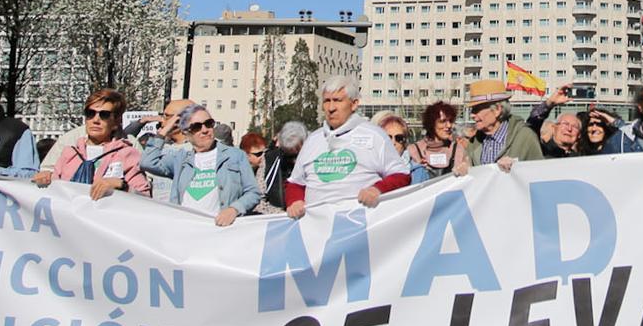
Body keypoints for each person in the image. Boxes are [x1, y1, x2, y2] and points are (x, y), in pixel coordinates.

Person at [286, 78, 410, 214]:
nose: (331, 108)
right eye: (327, 101)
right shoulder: (313, 140)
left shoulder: (375, 136)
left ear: (354, 104)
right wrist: (295, 200)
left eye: (338, 100)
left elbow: (401, 175)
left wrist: (377, 189)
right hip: (317, 228)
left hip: (359, 225)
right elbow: (295, 182)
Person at [140, 104, 256, 225]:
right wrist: (165, 130)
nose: (205, 130)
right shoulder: (180, 159)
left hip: (220, 231)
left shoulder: (235, 155)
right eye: (196, 127)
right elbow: (147, 162)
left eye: (209, 124)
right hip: (186, 229)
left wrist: (234, 209)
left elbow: (253, 192)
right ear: (186, 132)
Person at [36, 89, 151, 199]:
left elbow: (144, 198)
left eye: (104, 115)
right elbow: (53, 188)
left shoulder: (128, 153)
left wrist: (122, 186)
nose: (96, 120)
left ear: (116, 121)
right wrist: (44, 178)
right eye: (90, 113)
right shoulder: (69, 151)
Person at [457, 80, 545, 170]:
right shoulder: (475, 141)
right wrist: (464, 169)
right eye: (472, 110)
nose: (472, 115)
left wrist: (516, 167)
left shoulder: (525, 136)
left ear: (497, 110)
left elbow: (539, 173)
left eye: (477, 109)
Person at [409, 102, 466, 182]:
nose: (449, 125)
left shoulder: (457, 149)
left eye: (450, 121)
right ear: (431, 124)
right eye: (443, 121)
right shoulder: (414, 150)